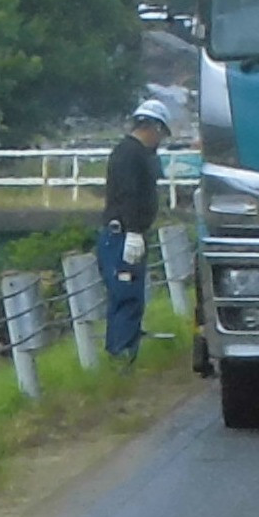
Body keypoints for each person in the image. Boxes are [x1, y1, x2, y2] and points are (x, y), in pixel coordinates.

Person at [100, 96, 173, 362]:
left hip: (129, 234)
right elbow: (129, 194)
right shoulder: (129, 154)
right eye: (161, 133)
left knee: (130, 297)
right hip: (122, 235)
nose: (160, 139)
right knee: (125, 296)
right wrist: (132, 231)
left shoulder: (137, 154)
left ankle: (126, 354)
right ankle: (120, 358)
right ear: (152, 127)